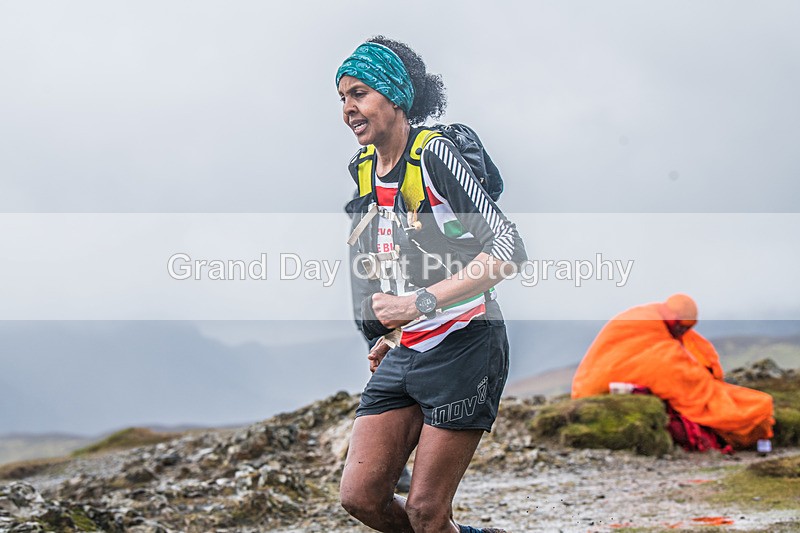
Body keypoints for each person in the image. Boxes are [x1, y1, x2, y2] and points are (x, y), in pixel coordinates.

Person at [336, 36, 526, 533]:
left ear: (395, 95)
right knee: (360, 497)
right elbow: (381, 253)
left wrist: (415, 303)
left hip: (466, 342)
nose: (349, 108)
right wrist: (384, 333)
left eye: (359, 93)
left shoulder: (434, 155)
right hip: (407, 349)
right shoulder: (362, 170)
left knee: (425, 511)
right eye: (342, 99)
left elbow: (508, 248)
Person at [571, 294, 775, 449]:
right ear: (674, 319)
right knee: (689, 381)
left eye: (685, 329)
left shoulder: (655, 321)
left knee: (701, 382)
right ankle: (741, 415)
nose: (682, 334)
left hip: (585, 389)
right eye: (680, 327)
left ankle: (745, 411)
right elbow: (662, 365)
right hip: (592, 389)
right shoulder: (646, 325)